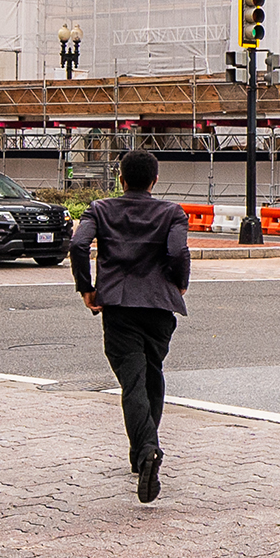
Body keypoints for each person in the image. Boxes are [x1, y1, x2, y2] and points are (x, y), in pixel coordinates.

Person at [72, 149, 192, 502]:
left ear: (120, 179)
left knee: (132, 379)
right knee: (151, 373)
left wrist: (86, 287)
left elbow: (79, 244)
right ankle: (143, 451)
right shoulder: (172, 212)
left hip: (119, 303)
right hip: (159, 304)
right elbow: (177, 252)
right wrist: (179, 283)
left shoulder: (100, 209)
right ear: (155, 180)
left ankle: (145, 451)